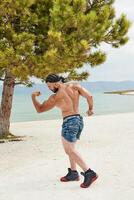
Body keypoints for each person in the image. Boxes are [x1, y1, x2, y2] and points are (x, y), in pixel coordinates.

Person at [31, 73, 98, 188]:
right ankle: (73, 173)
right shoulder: (75, 85)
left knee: (69, 151)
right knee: (71, 149)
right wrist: (90, 109)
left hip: (69, 122)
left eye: (50, 86)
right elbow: (89, 96)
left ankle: (89, 172)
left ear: (56, 83)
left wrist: (33, 97)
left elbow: (40, 109)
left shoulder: (55, 97)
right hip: (78, 120)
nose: (49, 89)